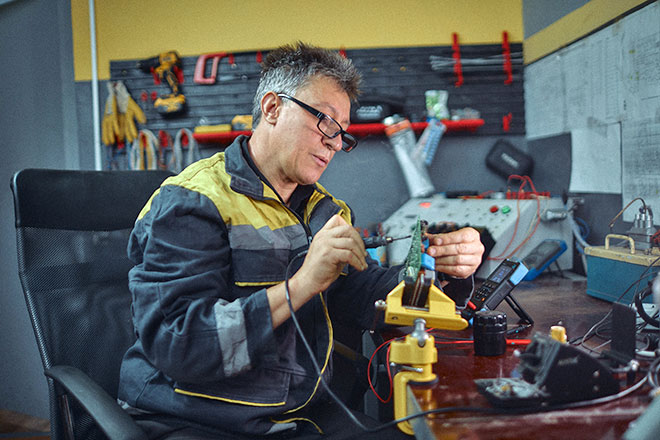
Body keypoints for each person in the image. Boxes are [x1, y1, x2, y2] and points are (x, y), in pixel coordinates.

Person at [117, 41, 484, 439]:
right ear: (273, 108)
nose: (334, 143)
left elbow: (359, 293)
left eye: (341, 133)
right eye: (325, 121)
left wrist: (440, 271)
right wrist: (303, 284)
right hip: (199, 419)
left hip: (298, 412)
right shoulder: (193, 203)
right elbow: (179, 345)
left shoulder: (325, 210)